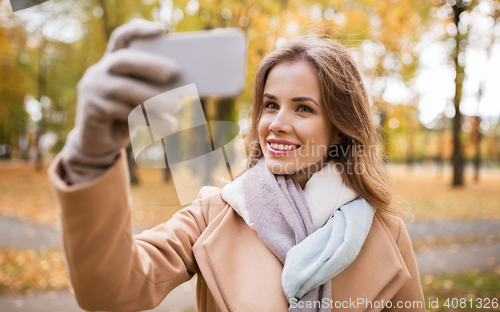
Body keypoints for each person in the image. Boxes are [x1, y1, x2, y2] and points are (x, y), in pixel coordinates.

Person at [48, 19, 425, 312]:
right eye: (270, 104)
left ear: (341, 130)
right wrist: (91, 156)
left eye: (303, 108)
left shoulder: (384, 233)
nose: (276, 123)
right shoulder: (215, 213)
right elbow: (111, 290)